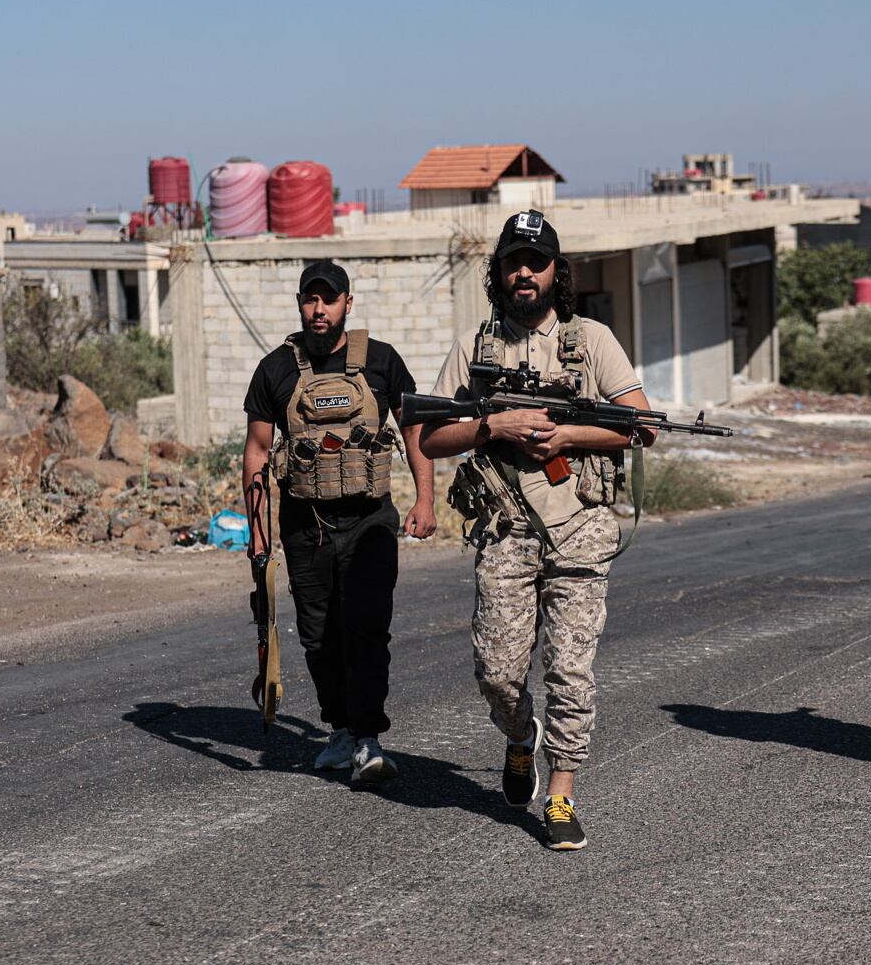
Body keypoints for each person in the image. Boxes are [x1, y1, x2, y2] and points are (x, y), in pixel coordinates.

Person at [420, 209, 655, 850]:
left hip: (579, 525)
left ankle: (560, 795)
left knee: (570, 671)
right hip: (503, 528)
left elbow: (644, 424)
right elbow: (432, 435)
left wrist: (568, 432)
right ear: (498, 272)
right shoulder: (476, 347)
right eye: (512, 262)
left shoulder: (592, 342)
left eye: (536, 261)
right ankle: (520, 736)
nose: (524, 272)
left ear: (557, 270)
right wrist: (494, 427)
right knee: (497, 670)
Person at [241, 259, 436, 786]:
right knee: (317, 635)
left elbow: (414, 429)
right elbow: (257, 454)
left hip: (370, 519)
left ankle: (368, 736)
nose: (318, 309)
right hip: (305, 524)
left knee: (366, 629)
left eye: (329, 299)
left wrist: (425, 499)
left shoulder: (381, 361)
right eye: (311, 299)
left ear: (348, 303)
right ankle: (342, 730)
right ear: (300, 304)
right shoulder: (276, 369)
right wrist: (258, 536)